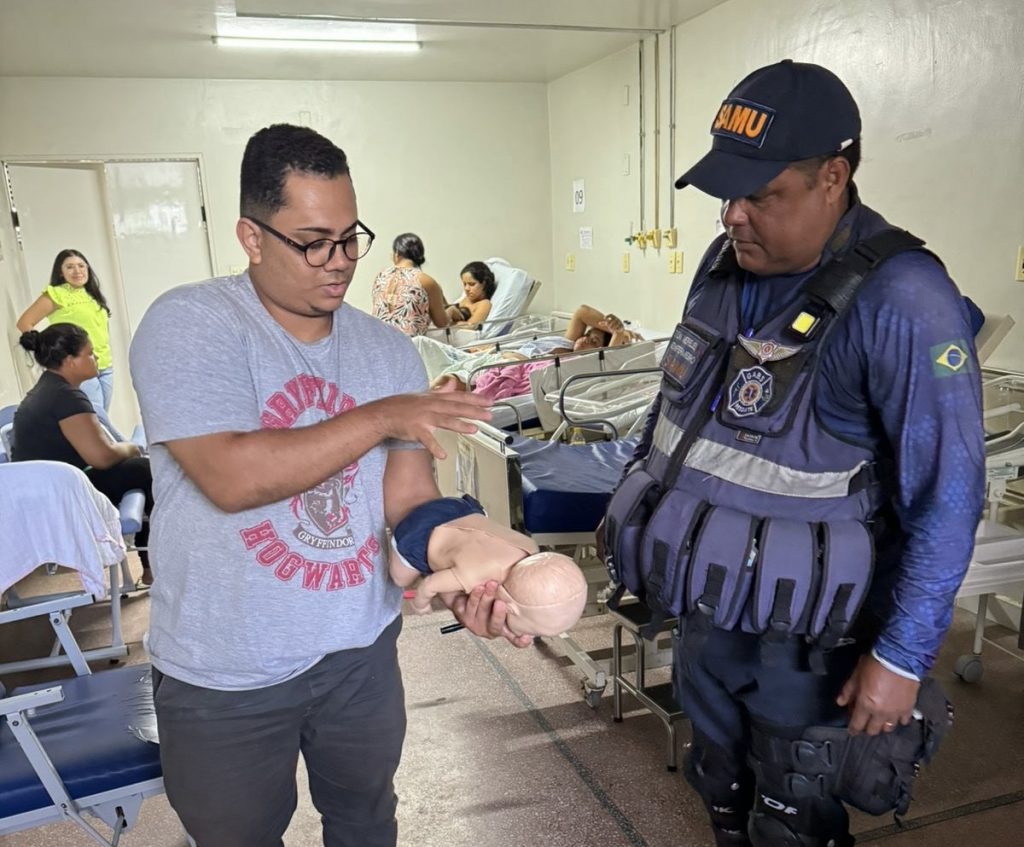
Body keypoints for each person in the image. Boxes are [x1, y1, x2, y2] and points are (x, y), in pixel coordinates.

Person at [603, 60, 983, 846]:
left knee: (792, 822)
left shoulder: (905, 300)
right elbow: (678, 428)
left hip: (814, 645)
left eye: (761, 195)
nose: (733, 216)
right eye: (725, 196)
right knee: (722, 794)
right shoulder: (722, 271)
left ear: (832, 177)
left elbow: (948, 497)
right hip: (710, 617)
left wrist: (902, 656)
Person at [128, 123, 529, 847]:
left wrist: (466, 561)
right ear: (252, 237)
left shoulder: (385, 351)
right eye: (313, 241)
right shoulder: (190, 325)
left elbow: (407, 500)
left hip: (357, 651)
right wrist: (381, 416)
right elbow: (233, 475)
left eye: (351, 237)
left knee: (367, 823)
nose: (339, 262)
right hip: (225, 668)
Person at [13, 323, 153, 587]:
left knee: (139, 468)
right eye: (89, 353)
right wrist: (133, 447)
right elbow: (101, 457)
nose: (96, 358)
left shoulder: (48, 389)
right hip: (59, 498)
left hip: (46, 494)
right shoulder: (65, 396)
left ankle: (151, 568)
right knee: (145, 470)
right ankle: (154, 569)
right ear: (70, 361)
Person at [388, 495, 587, 636]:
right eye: (530, 631)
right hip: (424, 529)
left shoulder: (530, 549)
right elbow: (430, 585)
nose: (529, 636)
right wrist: (421, 604)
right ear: (510, 608)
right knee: (400, 577)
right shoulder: (477, 574)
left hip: (464, 509)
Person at [415, 303, 643, 391]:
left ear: (597, 352)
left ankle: (411, 402)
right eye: (587, 335)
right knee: (420, 343)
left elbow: (609, 359)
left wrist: (618, 333)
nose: (585, 340)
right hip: (487, 358)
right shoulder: (566, 342)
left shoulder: (577, 363)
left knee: (447, 382)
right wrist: (611, 324)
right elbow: (582, 311)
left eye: (593, 343)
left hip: (501, 366)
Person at [16, 249, 115, 411]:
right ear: (61, 273)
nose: (77, 271)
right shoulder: (57, 294)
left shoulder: (91, 294)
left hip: (104, 365)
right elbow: (25, 322)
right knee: (95, 417)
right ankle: (122, 438)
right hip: (77, 364)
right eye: (70, 267)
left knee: (100, 418)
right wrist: (52, 352)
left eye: (81, 266)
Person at [370, 232, 449, 335]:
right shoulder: (426, 281)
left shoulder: (381, 276)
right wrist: (451, 312)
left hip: (377, 342)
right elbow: (442, 323)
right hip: (409, 347)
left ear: (396, 254)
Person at [444, 260, 495, 327]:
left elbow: (470, 327)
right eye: (464, 284)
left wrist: (452, 313)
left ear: (484, 283)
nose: (466, 288)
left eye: (472, 284)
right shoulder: (466, 299)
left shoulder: (484, 304)